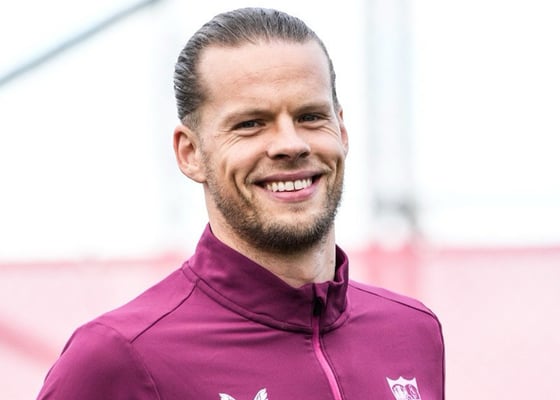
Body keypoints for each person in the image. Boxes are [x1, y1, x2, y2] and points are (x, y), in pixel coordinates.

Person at [37, 7, 445, 399]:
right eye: (251, 124)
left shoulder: (412, 331)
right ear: (190, 153)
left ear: (342, 130)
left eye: (310, 117)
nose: (290, 144)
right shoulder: (118, 356)